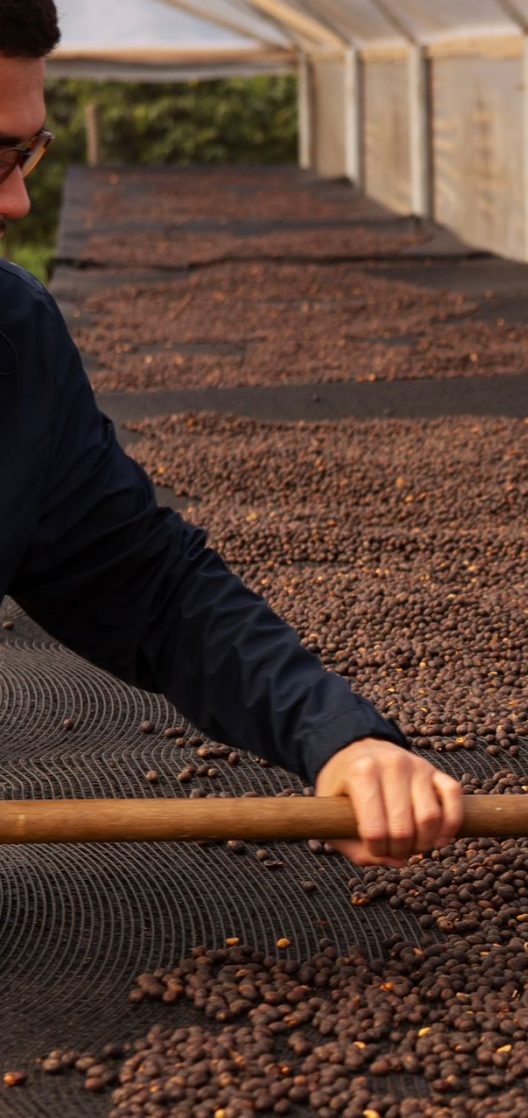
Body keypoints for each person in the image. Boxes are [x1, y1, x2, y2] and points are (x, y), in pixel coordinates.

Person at [0, 0, 464, 866]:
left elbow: (146, 586)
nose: (21, 201)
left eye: (27, 155)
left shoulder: (13, 341)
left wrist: (338, 738)